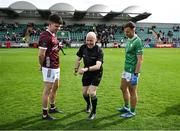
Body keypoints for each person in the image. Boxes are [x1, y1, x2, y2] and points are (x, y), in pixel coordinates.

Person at [38, 14, 64, 120]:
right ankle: (45, 113)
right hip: (49, 66)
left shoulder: (53, 35)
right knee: (47, 90)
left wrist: (58, 47)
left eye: (59, 26)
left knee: (56, 86)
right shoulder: (45, 35)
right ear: (50, 24)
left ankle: (53, 107)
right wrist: (41, 65)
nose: (58, 28)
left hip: (56, 65)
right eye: (56, 26)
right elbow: (41, 54)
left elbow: (53, 48)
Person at [74, 32, 104, 120]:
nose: (89, 42)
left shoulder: (99, 50)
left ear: (96, 40)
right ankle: (88, 104)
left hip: (96, 73)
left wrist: (86, 69)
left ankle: (93, 112)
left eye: (91, 41)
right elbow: (78, 58)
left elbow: (98, 66)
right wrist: (76, 69)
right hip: (87, 72)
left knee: (92, 92)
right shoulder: (83, 47)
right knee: (84, 93)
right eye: (87, 40)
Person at [117, 21, 144, 118]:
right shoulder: (128, 40)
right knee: (122, 88)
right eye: (125, 31)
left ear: (133, 29)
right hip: (126, 69)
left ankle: (132, 111)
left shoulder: (138, 41)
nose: (126, 33)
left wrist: (136, 75)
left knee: (132, 91)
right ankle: (126, 107)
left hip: (133, 71)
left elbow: (140, 60)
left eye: (128, 31)